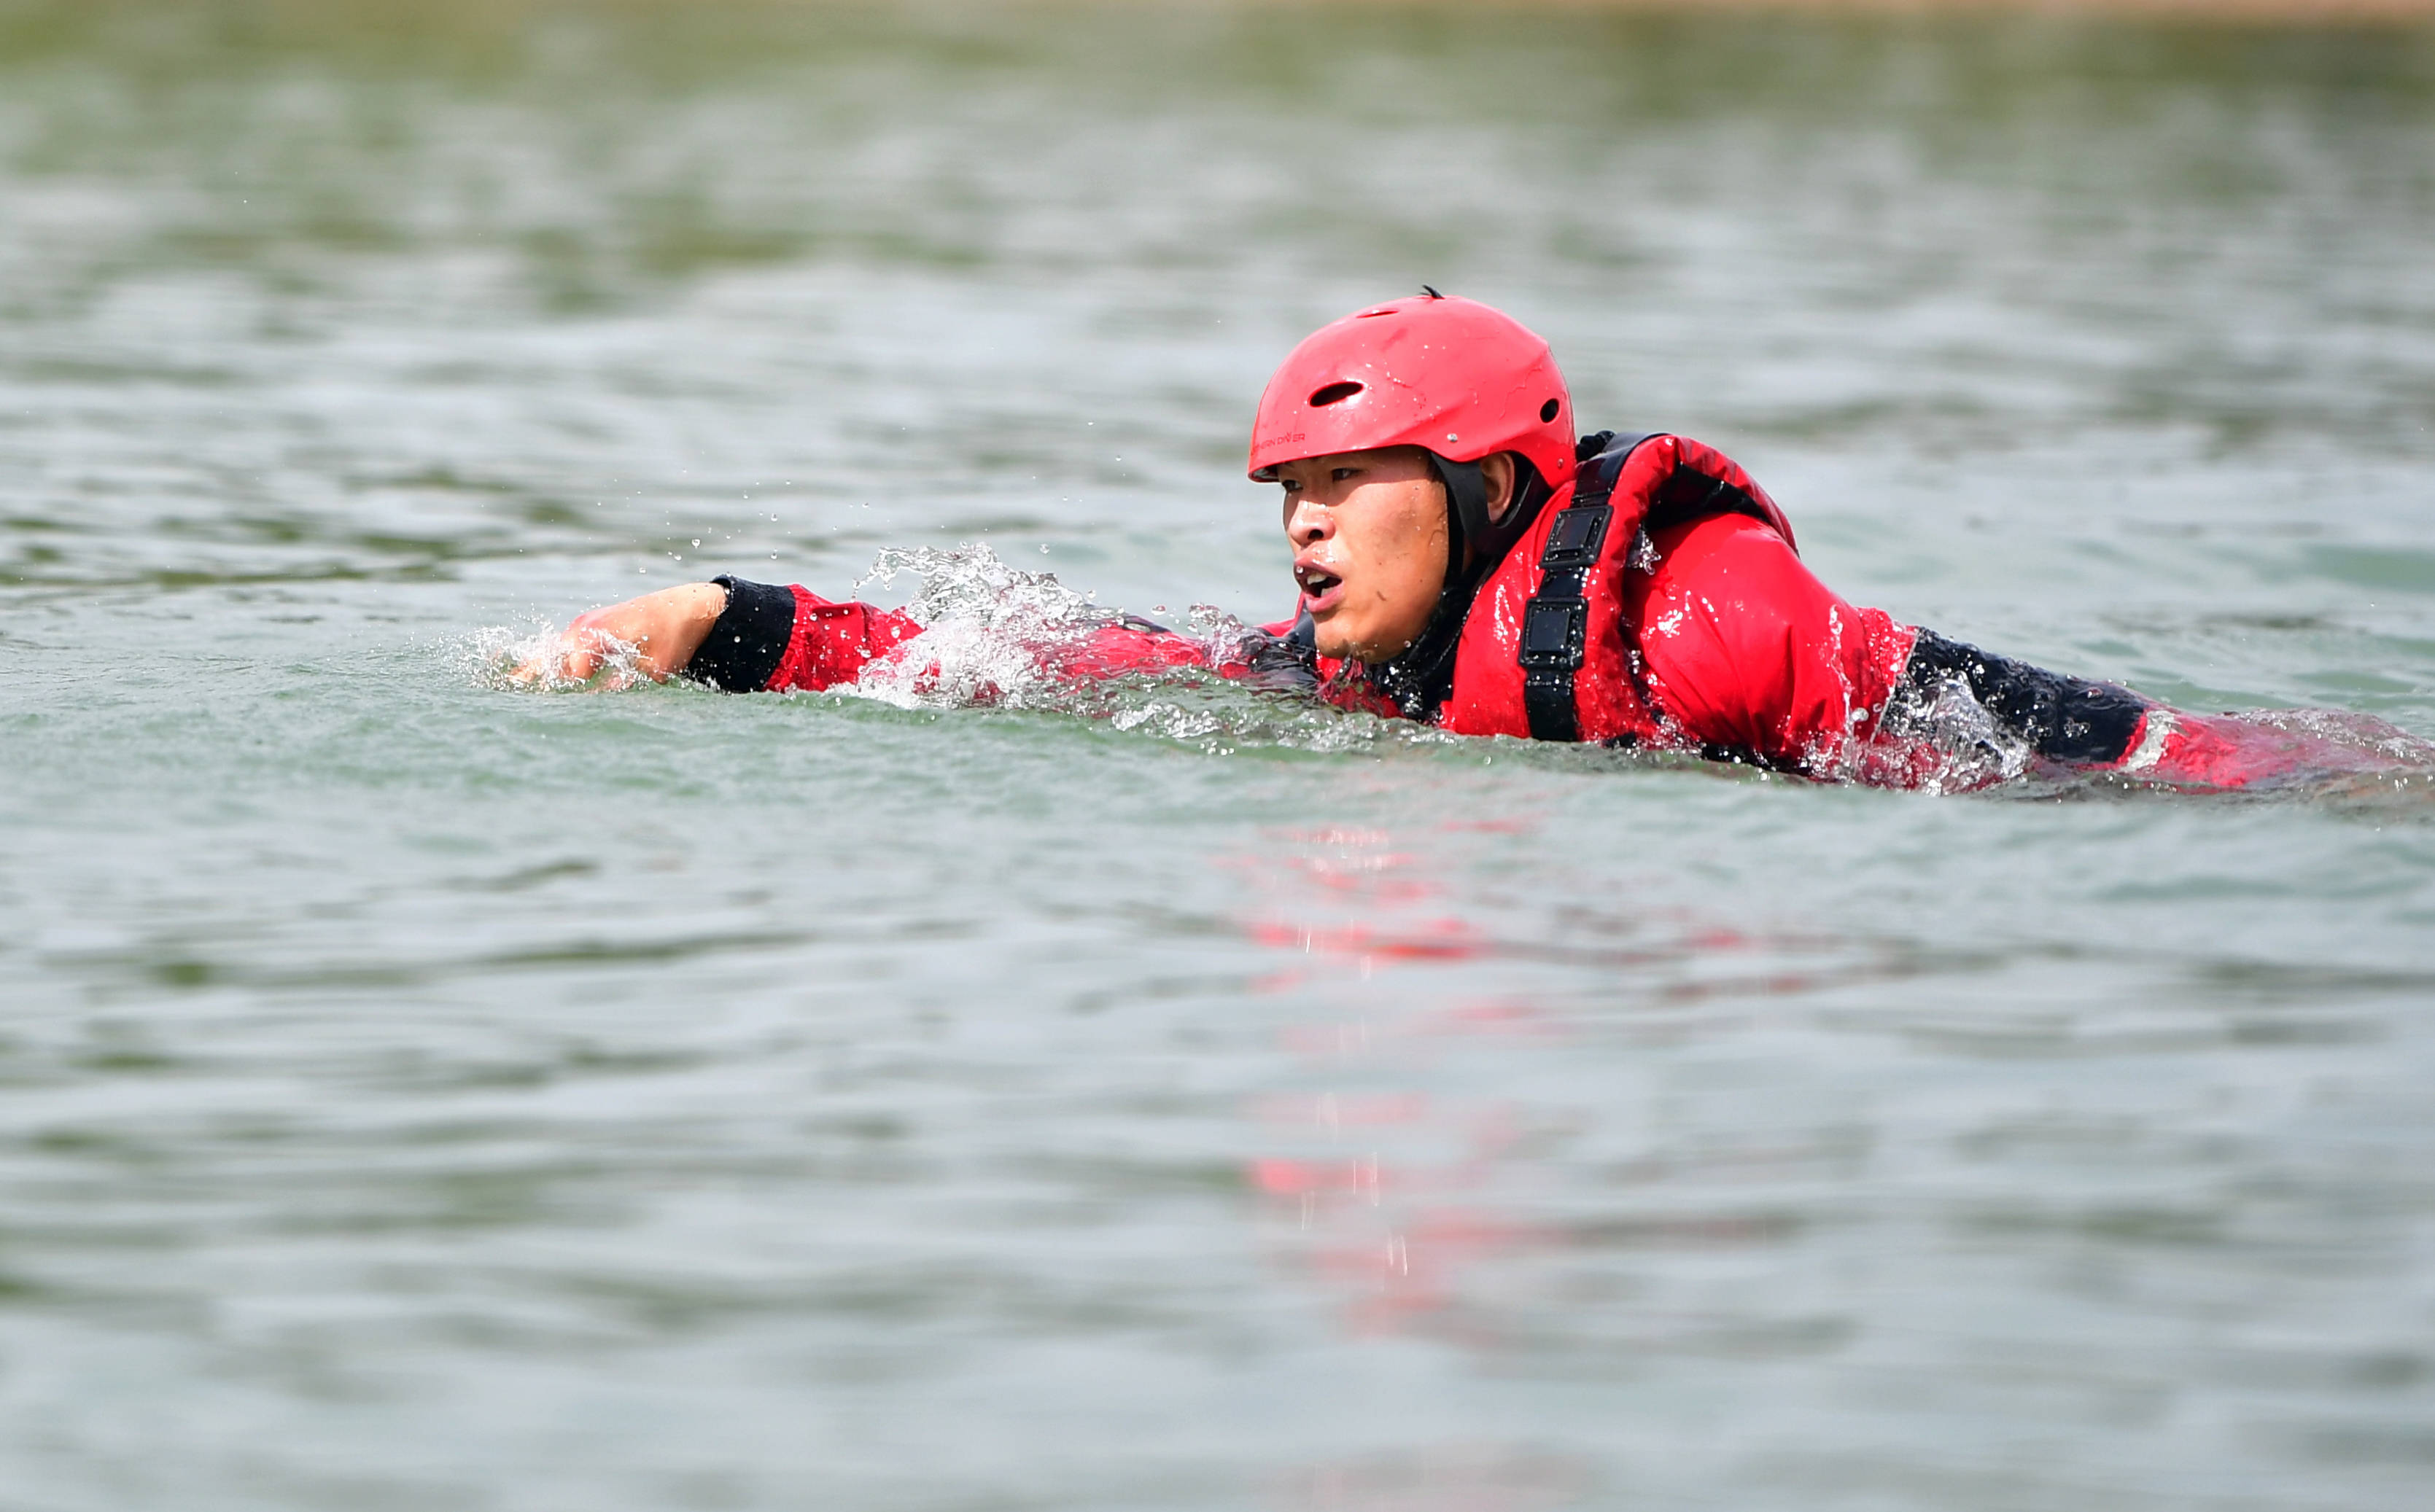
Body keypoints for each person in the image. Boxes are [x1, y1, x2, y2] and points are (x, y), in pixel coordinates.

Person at [515, 292, 2422, 793]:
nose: (1304, 530)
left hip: (2211, 783)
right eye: (1285, 496)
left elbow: (2042, 767)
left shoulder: (1704, 622)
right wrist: (724, 619)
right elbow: (1054, 666)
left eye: (1345, 487)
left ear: (1496, 490)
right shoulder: (1359, 669)